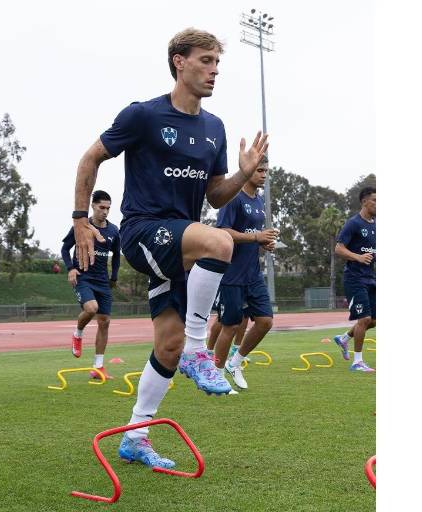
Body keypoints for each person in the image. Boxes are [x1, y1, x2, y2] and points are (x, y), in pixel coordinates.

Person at [71, 28, 268, 469]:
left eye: (218, 63)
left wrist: (242, 174)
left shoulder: (214, 127)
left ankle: (135, 435)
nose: (214, 70)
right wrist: (80, 219)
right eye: (205, 61)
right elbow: (90, 158)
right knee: (218, 240)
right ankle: (202, 349)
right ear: (179, 62)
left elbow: (216, 195)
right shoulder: (142, 115)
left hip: (181, 245)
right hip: (144, 232)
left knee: (168, 347)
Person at [211, 157, 278, 389]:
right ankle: (217, 376)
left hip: (253, 274)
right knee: (229, 326)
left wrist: (263, 243)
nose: (264, 175)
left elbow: (253, 235)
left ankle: (235, 362)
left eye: (266, 171)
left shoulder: (258, 201)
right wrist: (256, 237)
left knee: (266, 321)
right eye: (260, 170)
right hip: (231, 274)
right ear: (248, 171)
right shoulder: (233, 198)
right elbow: (223, 232)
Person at [61, 190, 121, 379]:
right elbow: (64, 248)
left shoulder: (113, 231)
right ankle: (78, 333)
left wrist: (114, 278)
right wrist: (70, 268)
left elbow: (117, 256)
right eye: (102, 207)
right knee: (91, 308)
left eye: (108, 208)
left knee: (105, 322)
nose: (105, 211)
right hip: (83, 278)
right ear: (93, 206)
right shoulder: (82, 226)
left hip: (103, 281)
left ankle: (98, 367)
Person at [332, 186, 376, 372]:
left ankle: (344, 338)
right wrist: (358, 257)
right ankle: (357, 362)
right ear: (364, 201)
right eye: (375, 200)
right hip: (354, 278)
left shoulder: (376, 225)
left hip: (371, 278)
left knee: (374, 320)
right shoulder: (354, 223)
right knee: (364, 319)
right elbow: (338, 249)